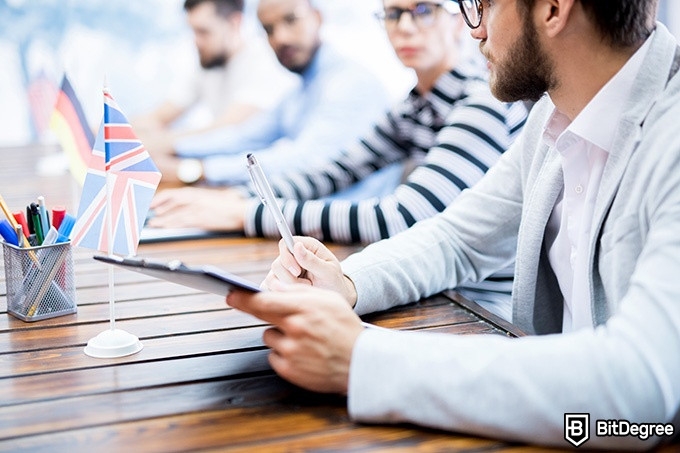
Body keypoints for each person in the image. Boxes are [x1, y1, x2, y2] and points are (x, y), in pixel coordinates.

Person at [225, 0, 680, 449]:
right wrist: (345, 283)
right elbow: (457, 239)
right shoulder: (554, 116)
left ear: (553, 9)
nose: (474, 30)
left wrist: (363, 361)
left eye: (481, 5)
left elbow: (638, 389)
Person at [149, 0, 528, 316]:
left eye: (424, 9)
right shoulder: (415, 106)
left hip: (478, 308)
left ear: (459, 19)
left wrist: (245, 214)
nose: (406, 27)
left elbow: (400, 216)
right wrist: (238, 197)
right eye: (394, 14)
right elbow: (331, 172)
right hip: (432, 289)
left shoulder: (480, 100)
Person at [152, 0, 393, 187]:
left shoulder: (350, 84)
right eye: (269, 29)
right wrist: (173, 150)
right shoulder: (298, 91)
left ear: (317, 17)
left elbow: (303, 159)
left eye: (291, 20)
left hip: (345, 235)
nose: (281, 37)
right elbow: (244, 137)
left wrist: (195, 170)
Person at [133, 0, 297, 157]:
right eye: (193, 31)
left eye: (203, 32)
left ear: (234, 23)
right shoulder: (208, 62)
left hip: (259, 173)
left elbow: (228, 128)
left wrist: (158, 142)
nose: (196, 41)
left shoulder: (264, 59)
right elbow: (161, 116)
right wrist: (121, 132)